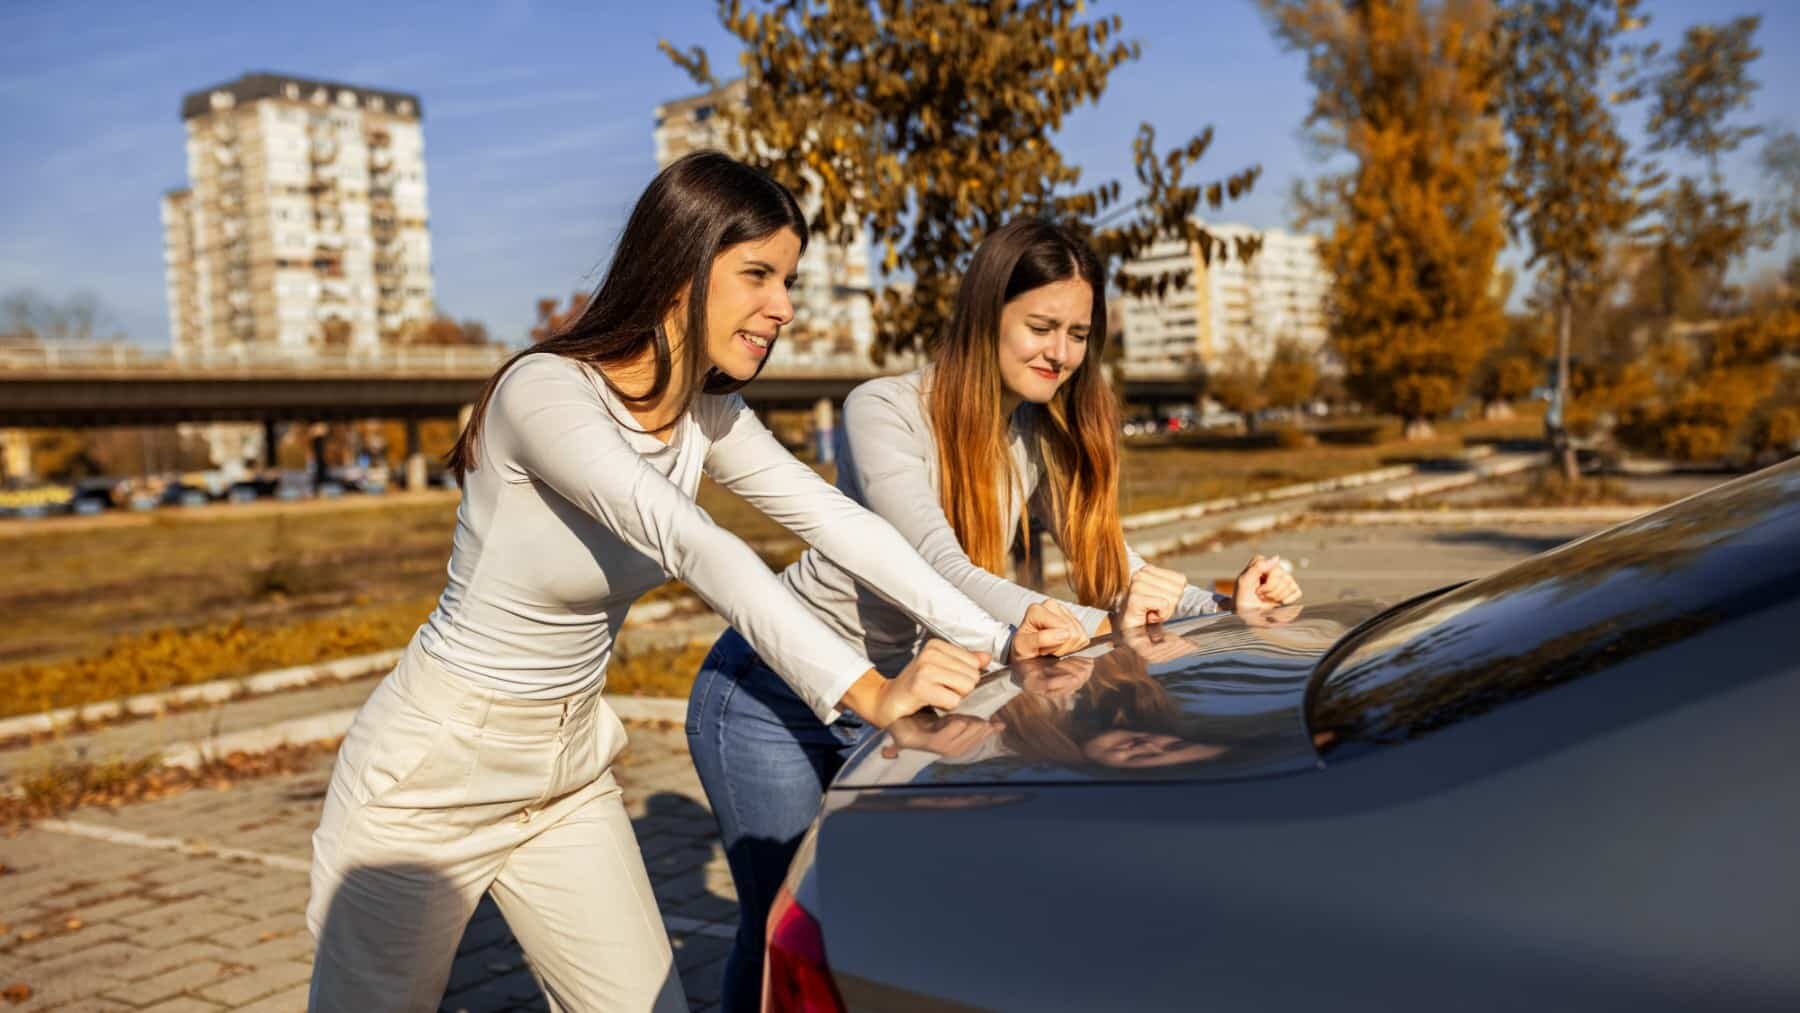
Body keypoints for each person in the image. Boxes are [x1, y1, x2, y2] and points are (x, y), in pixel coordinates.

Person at [305, 152, 1079, 1012]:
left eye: (787, 278)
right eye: (757, 274)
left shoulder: (703, 410)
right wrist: (871, 693)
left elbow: (839, 522)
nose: (781, 305)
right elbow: (695, 544)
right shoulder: (545, 392)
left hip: (564, 775)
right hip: (433, 769)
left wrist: (997, 636)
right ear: (681, 265)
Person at [688, 218, 1302, 1010]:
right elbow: (932, 566)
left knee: (874, 927)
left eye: (1078, 333)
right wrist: (1081, 618)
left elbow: (1113, 567)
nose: (1062, 351)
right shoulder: (884, 408)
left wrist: (1224, 602)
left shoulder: (1032, 434)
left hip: (905, 698)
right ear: (987, 316)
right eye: (1041, 326)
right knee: (786, 929)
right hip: (770, 699)